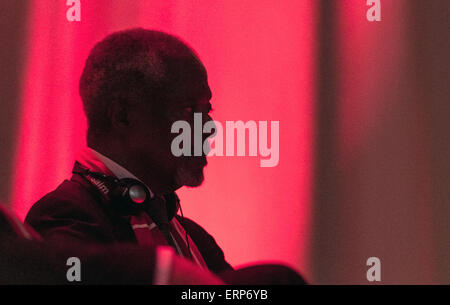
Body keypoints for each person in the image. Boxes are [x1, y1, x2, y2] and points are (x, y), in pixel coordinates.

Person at [24, 28, 305, 284]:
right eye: (189, 110)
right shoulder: (65, 216)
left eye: (208, 110)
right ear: (122, 116)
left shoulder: (193, 237)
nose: (208, 128)